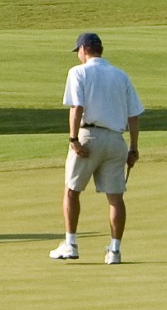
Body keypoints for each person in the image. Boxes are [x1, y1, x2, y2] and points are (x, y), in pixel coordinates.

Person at [50, 31, 141, 264]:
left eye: (78, 51)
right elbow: (133, 115)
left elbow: (76, 107)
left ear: (83, 50)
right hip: (116, 141)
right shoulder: (121, 75)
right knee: (115, 198)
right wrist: (133, 148)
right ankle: (115, 251)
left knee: (72, 190)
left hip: (88, 137)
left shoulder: (78, 72)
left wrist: (73, 140)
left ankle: (70, 244)